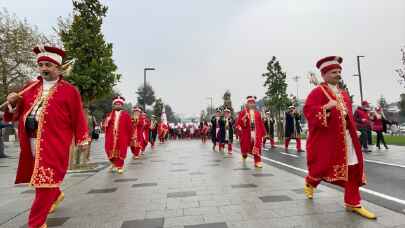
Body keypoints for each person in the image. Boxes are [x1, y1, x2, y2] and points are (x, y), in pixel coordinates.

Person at [2, 45, 90, 228]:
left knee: (44, 182)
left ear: (58, 68)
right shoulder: (29, 88)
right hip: (31, 142)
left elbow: (78, 117)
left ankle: (36, 223)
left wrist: (83, 138)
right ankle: (56, 194)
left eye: (48, 65)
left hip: (55, 144)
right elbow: (15, 115)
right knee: (43, 179)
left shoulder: (69, 91)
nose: (43, 68)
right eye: (41, 65)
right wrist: (12, 103)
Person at [303, 56, 376, 219]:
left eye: (339, 71)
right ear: (324, 74)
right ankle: (310, 181)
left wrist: (353, 129)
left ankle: (353, 202)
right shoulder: (317, 92)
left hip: (348, 139)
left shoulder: (343, 94)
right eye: (334, 72)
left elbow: (347, 116)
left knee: (352, 168)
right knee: (321, 168)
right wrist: (325, 109)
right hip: (328, 141)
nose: (338, 74)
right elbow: (309, 113)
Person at [104, 96, 132, 174]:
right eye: (116, 104)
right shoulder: (109, 115)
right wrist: (107, 121)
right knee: (108, 150)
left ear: (122, 105)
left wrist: (129, 137)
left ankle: (120, 166)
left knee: (121, 151)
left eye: (119, 104)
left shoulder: (126, 115)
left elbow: (130, 127)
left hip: (122, 137)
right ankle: (113, 163)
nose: (118, 105)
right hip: (111, 136)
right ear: (114, 105)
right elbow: (105, 125)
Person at [236, 96, 266, 168]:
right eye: (250, 103)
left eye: (253, 103)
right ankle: (244, 154)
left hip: (256, 134)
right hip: (247, 134)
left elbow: (261, 123)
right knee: (245, 147)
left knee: (257, 146)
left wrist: (264, 133)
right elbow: (239, 123)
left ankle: (257, 161)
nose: (252, 104)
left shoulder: (257, 113)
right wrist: (244, 119)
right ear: (247, 104)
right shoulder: (243, 113)